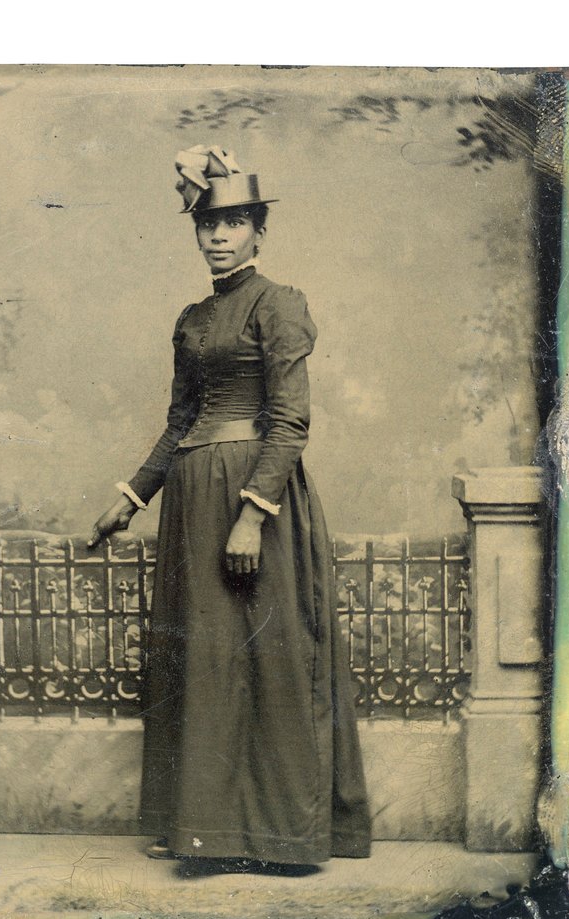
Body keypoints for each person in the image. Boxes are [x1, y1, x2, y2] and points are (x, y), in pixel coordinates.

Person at [89, 146, 370, 868]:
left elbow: (290, 420)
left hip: (255, 500)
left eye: (234, 222)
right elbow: (180, 420)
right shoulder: (191, 319)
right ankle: (203, 831)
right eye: (207, 224)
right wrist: (130, 496)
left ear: (258, 231)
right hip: (189, 502)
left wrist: (253, 512)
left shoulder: (279, 304)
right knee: (203, 662)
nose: (218, 236)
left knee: (267, 661)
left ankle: (280, 836)